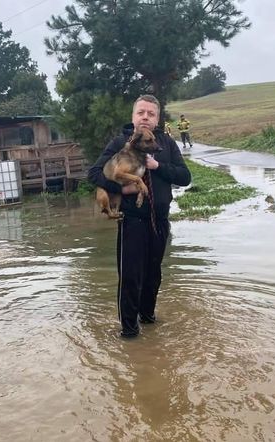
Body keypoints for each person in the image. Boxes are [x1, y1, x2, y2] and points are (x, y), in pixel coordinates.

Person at [88, 95, 191, 338]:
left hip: (160, 220)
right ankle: (129, 333)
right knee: (131, 277)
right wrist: (121, 190)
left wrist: (158, 167)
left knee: (154, 274)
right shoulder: (119, 144)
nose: (145, 117)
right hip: (131, 221)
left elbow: (185, 177)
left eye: (151, 114)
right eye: (141, 112)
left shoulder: (165, 144)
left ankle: (148, 320)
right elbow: (94, 174)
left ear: (157, 118)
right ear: (133, 116)